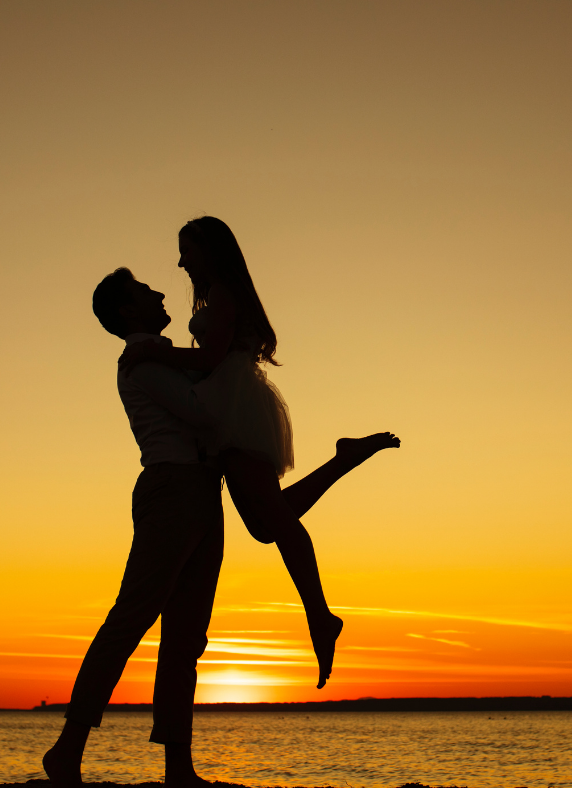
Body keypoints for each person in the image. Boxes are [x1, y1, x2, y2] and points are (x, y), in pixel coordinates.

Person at [43, 267, 398, 788]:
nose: (161, 291)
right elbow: (202, 412)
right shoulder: (142, 361)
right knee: (131, 619)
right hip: (172, 491)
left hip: (200, 494)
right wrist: (222, 360)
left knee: (186, 636)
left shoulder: (162, 356)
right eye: (145, 291)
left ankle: (177, 768)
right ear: (127, 311)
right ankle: (68, 748)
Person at [118, 216, 398, 690]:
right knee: (266, 524)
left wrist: (154, 354)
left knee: (279, 525)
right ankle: (344, 459)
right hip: (229, 407)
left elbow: (211, 360)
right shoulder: (219, 294)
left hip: (235, 410)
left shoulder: (225, 293)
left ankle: (320, 615)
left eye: (187, 251)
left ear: (212, 251)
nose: (181, 262)